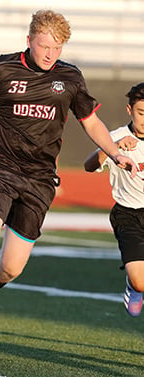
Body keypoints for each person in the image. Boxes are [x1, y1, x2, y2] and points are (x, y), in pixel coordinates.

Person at [0, 9, 137, 356]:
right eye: (44, 46)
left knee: (11, 266)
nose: (49, 54)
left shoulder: (70, 78)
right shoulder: (0, 69)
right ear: (29, 40)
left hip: (39, 179)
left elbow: (91, 122)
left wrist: (115, 153)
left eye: (56, 48)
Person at [84, 82, 144, 317]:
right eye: (141, 113)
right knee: (140, 282)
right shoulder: (116, 137)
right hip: (128, 215)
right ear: (129, 110)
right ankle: (134, 286)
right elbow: (88, 166)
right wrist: (113, 150)